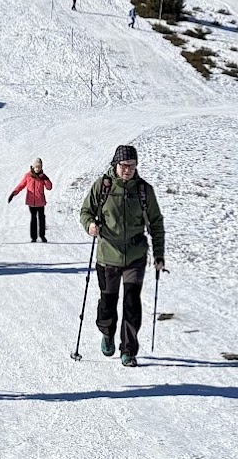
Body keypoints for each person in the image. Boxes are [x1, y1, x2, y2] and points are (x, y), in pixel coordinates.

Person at [80, 144, 166, 367]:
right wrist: (90, 225)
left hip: (135, 256)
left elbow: (156, 223)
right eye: (124, 165)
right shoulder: (102, 187)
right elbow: (86, 211)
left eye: (132, 165)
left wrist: (159, 254)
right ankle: (107, 333)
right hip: (107, 254)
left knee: (131, 302)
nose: (128, 169)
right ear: (115, 164)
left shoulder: (143, 190)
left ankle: (129, 350)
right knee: (108, 302)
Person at [8, 158, 54, 242]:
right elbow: (21, 185)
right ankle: (33, 237)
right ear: (33, 167)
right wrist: (14, 193)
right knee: (33, 219)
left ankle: (42, 236)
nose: (37, 169)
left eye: (39, 167)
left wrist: (46, 179)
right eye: (36, 167)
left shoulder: (43, 177)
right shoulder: (28, 176)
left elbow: (49, 187)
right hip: (31, 202)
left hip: (40, 202)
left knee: (41, 218)